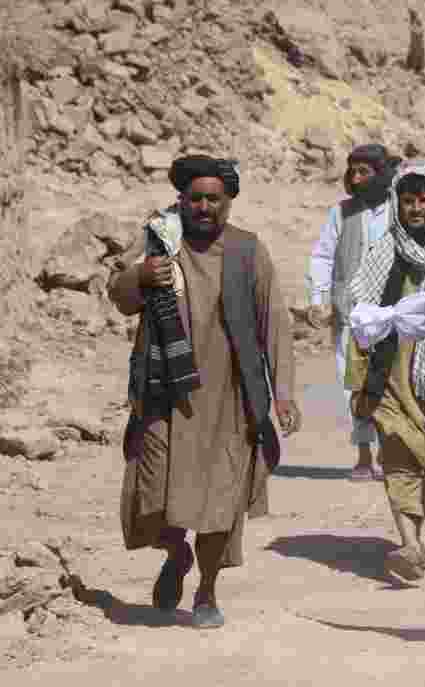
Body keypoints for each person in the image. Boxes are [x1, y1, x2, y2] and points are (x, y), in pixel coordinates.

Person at [111, 155, 301, 629]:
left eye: (213, 199)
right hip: (162, 394)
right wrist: (141, 276)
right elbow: (118, 292)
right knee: (153, 491)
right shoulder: (158, 238)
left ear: (229, 202)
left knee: (219, 502)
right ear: (181, 200)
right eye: (194, 198)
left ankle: (207, 591)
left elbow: (273, 322)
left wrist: (283, 394)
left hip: (228, 400)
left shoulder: (247, 251)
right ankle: (176, 555)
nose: (203, 207)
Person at [346, 161, 425, 582]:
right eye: (407, 201)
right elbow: (361, 305)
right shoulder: (385, 248)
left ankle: (418, 533)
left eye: (423, 200)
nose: (415, 209)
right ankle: (407, 541)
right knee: (398, 452)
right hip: (393, 368)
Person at [306, 144, 399, 481]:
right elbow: (323, 256)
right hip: (350, 313)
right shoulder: (341, 212)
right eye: (353, 172)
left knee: (393, 383)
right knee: (354, 384)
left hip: (391, 314)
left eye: (365, 172)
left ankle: (392, 455)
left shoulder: (401, 209)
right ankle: (363, 456)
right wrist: (319, 298)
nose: (357, 179)